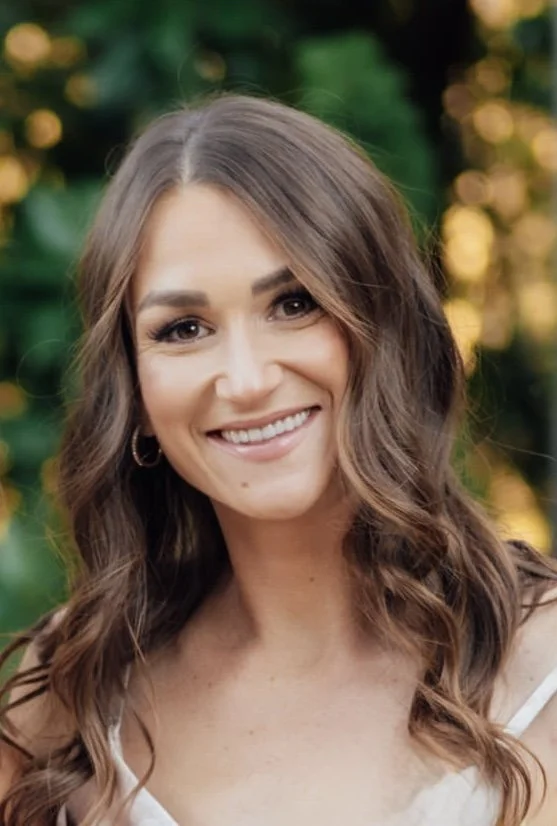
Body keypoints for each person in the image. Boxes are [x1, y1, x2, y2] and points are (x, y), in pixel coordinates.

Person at [0, 93, 556, 826]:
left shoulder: (542, 667)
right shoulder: (70, 690)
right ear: (132, 389)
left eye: (294, 304)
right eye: (183, 328)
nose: (247, 379)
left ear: (384, 326)